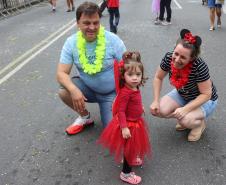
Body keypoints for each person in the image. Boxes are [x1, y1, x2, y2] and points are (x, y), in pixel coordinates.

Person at [57, 1, 126, 135]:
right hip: (87, 90)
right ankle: (85, 117)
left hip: (112, 93)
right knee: (64, 91)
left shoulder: (113, 40)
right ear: (77, 23)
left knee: (114, 133)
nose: (92, 27)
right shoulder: (71, 43)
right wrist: (73, 90)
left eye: (95, 22)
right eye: (87, 23)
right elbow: (61, 73)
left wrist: (126, 98)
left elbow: (130, 69)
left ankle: (111, 110)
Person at [150, 29, 218, 142]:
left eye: (183, 57)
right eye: (176, 54)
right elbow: (158, 77)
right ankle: (188, 118)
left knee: (185, 119)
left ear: (191, 58)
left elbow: (206, 94)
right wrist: (156, 100)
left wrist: (185, 109)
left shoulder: (199, 66)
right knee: (158, 110)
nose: (176, 60)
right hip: (184, 94)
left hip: (206, 99)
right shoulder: (168, 57)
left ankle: (198, 125)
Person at [98, 51, 152, 185]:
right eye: (130, 74)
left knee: (132, 147)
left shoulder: (134, 86)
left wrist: (141, 108)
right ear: (123, 76)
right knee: (129, 148)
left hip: (136, 121)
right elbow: (121, 111)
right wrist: (124, 128)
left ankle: (132, 158)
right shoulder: (125, 92)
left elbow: (136, 101)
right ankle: (126, 173)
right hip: (129, 125)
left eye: (138, 74)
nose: (135, 78)